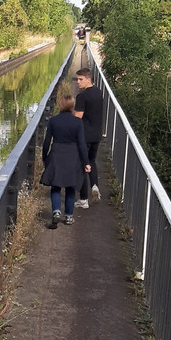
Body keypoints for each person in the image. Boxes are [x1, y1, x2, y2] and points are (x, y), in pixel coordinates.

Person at [40, 91, 90, 228]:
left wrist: (45, 158)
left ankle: (56, 211)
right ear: (72, 106)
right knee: (70, 188)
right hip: (73, 156)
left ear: (60, 105)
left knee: (55, 186)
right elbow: (81, 144)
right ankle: (68, 216)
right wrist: (86, 162)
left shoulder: (53, 121)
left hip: (56, 154)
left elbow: (46, 142)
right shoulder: (77, 122)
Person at [74, 67, 104, 208]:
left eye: (80, 79)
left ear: (88, 79)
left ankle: (84, 199)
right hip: (96, 135)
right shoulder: (99, 93)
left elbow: (78, 118)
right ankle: (95, 186)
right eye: (77, 79)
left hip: (84, 137)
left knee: (81, 165)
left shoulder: (82, 96)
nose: (78, 83)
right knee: (92, 161)